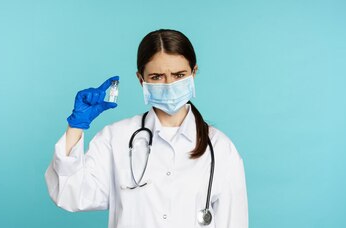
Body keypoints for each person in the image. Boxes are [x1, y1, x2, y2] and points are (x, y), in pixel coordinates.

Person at [44, 29, 248, 228]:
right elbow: (71, 194)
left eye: (179, 75)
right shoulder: (116, 138)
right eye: (157, 77)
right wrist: (75, 126)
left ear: (193, 73)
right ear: (141, 79)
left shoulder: (220, 148)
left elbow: (234, 221)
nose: (169, 84)